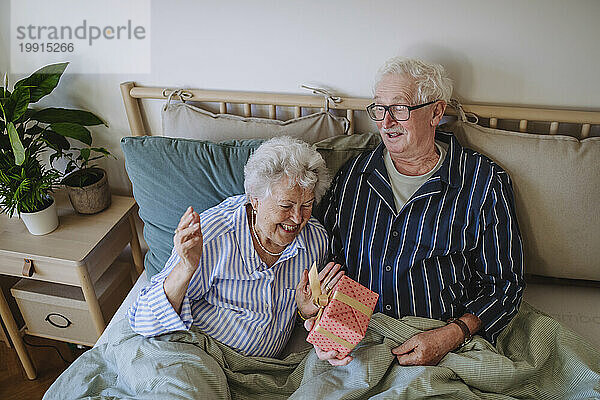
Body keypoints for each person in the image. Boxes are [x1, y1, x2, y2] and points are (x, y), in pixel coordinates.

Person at [308, 57, 525, 366]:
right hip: (360, 337)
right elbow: (329, 262)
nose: (385, 122)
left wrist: (451, 335)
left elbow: (505, 284)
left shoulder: (483, 181)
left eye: (400, 109)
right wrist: (323, 325)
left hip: (442, 336)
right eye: (379, 109)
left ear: (436, 112)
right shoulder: (355, 175)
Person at [128, 136, 343, 358]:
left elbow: (313, 309)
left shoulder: (315, 240)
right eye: (286, 205)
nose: (298, 218)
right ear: (255, 200)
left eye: (306, 205)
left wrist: (305, 311)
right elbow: (144, 321)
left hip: (267, 373)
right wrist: (185, 269)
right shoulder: (213, 236)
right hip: (200, 355)